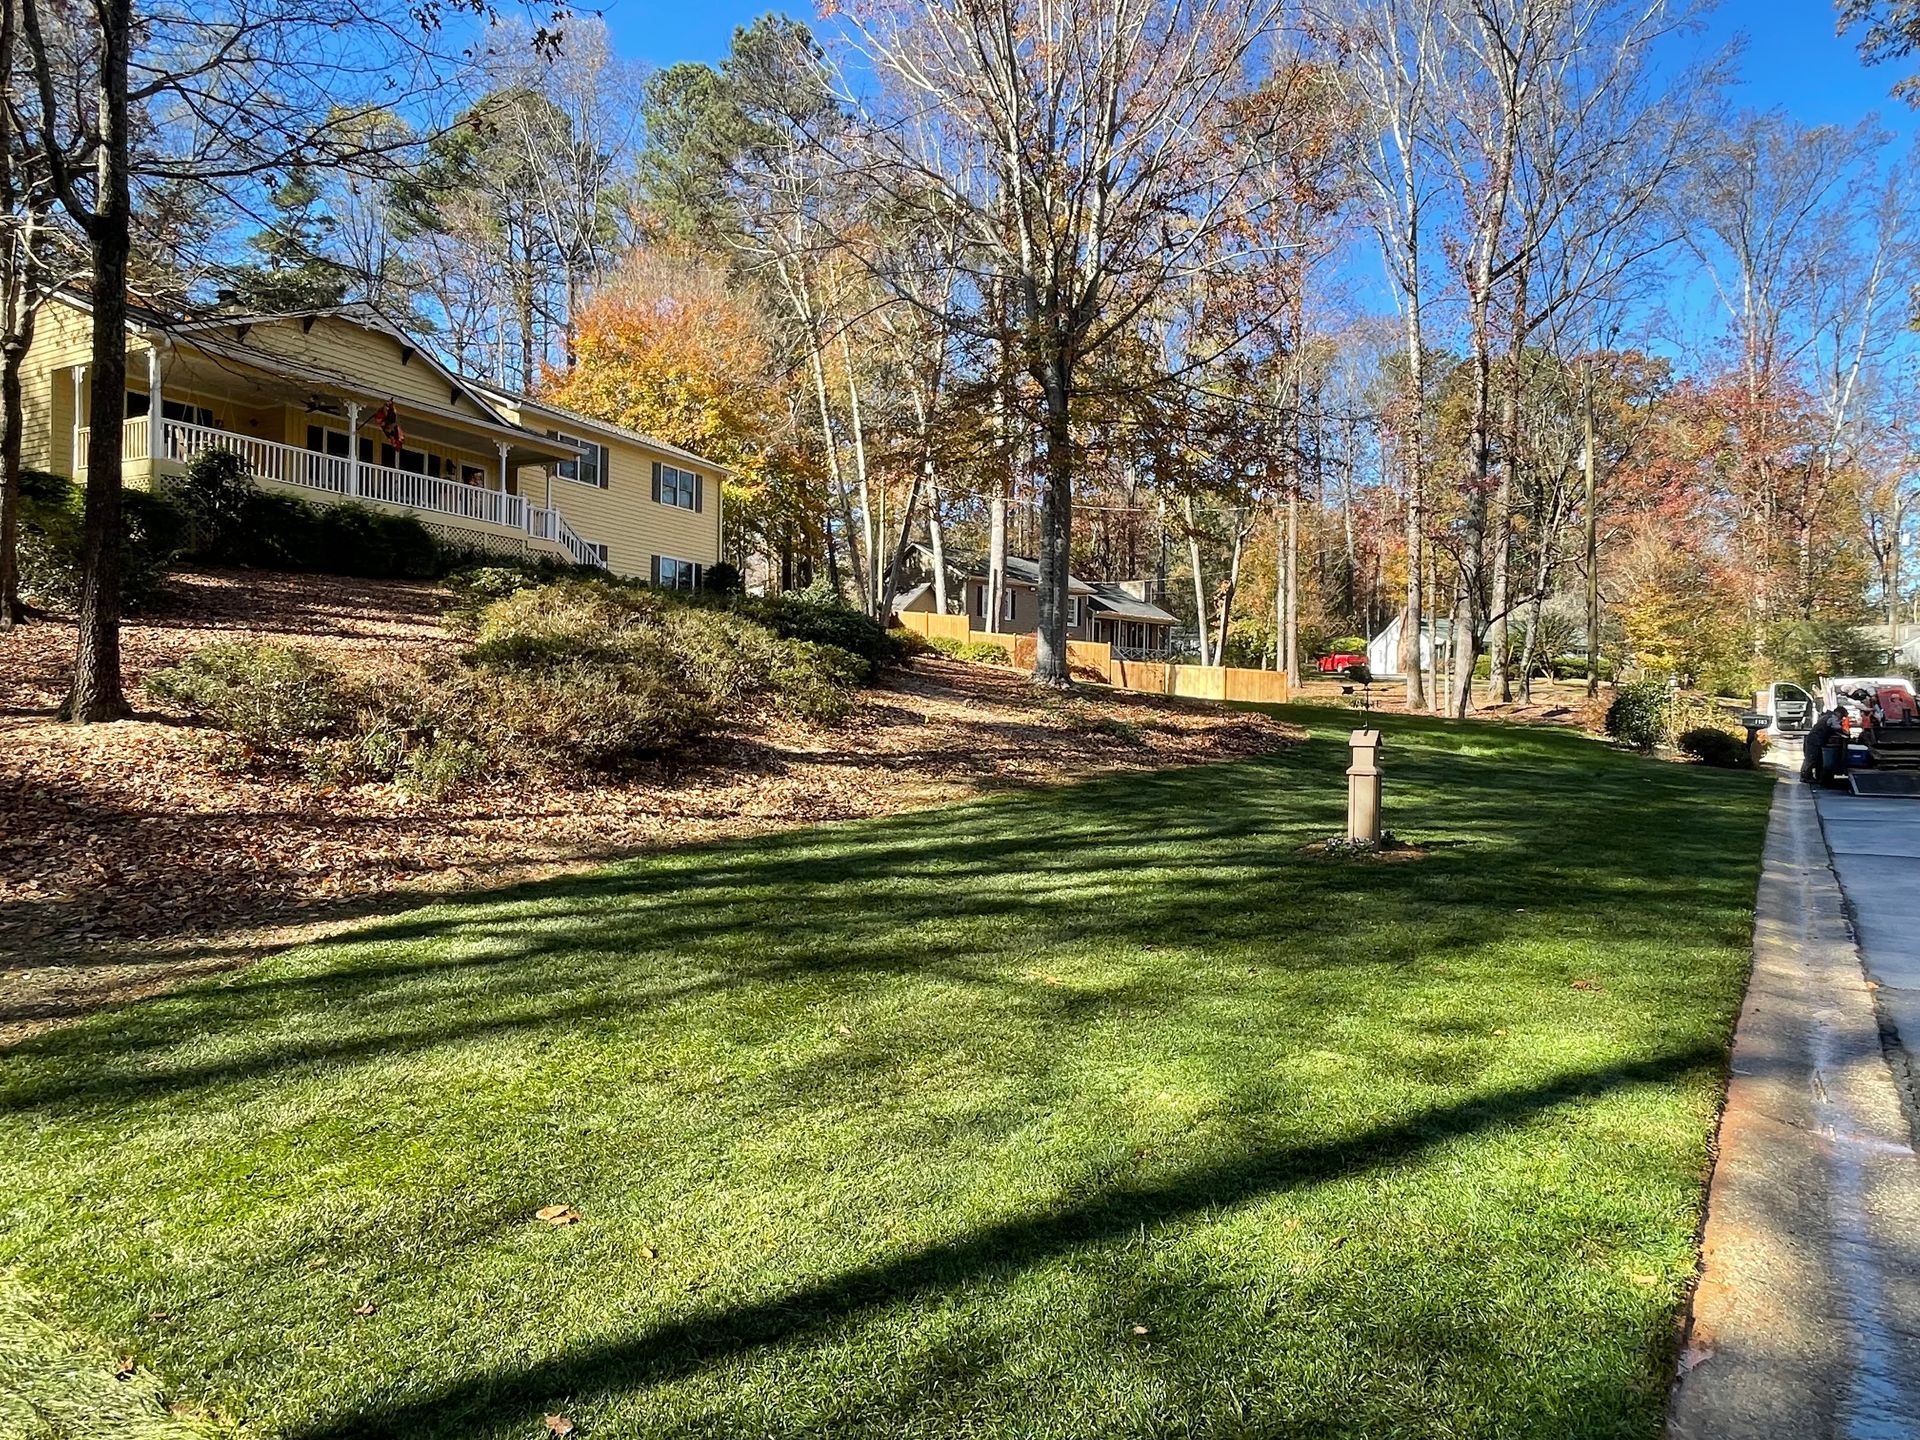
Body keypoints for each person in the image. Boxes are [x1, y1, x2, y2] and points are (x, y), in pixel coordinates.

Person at [1802, 706, 1845, 785]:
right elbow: (1836, 727)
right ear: (1838, 713)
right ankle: (1805, 777)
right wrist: (1845, 732)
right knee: (1811, 758)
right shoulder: (1832, 718)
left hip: (1814, 739)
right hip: (1815, 740)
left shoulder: (1826, 716)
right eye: (1842, 715)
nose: (1841, 718)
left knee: (1816, 758)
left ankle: (1811, 776)